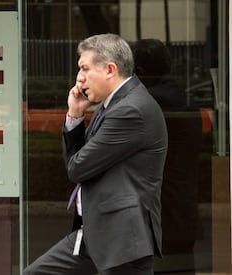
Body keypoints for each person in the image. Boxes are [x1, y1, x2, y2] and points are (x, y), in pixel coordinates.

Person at [23, 33, 168, 275]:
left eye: (85, 68)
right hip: (95, 234)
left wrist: (76, 118)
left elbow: (77, 167)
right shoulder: (113, 104)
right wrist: (75, 115)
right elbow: (79, 162)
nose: (79, 78)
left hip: (122, 242)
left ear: (110, 69)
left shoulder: (130, 110)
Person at [133, 39, 203, 274]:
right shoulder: (185, 98)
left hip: (161, 212)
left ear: (139, 70)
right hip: (183, 209)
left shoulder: (150, 101)